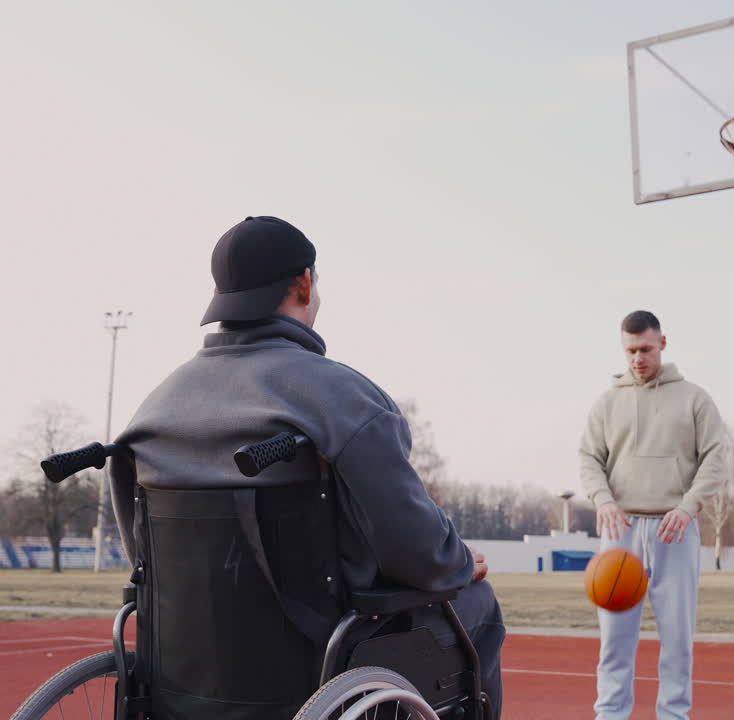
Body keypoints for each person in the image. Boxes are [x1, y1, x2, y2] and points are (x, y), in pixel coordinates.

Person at [108, 216, 504, 717]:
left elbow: (142, 559)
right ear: (305, 282)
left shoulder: (154, 408)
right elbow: (418, 555)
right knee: (478, 606)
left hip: (190, 671)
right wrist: (461, 562)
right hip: (317, 657)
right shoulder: (342, 397)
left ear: (220, 293)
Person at [579, 310, 725, 720]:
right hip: (619, 528)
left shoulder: (695, 398)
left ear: (662, 343)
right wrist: (603, 500)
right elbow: (589, 457)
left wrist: (688, 506)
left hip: (674, 529)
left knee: (677, 639)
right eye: (630, 351)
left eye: (645, 349)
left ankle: (673, 715)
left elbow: (715, 458)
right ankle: (610, 714)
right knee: (614, 640)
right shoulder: (607, 402)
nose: (637, 358)